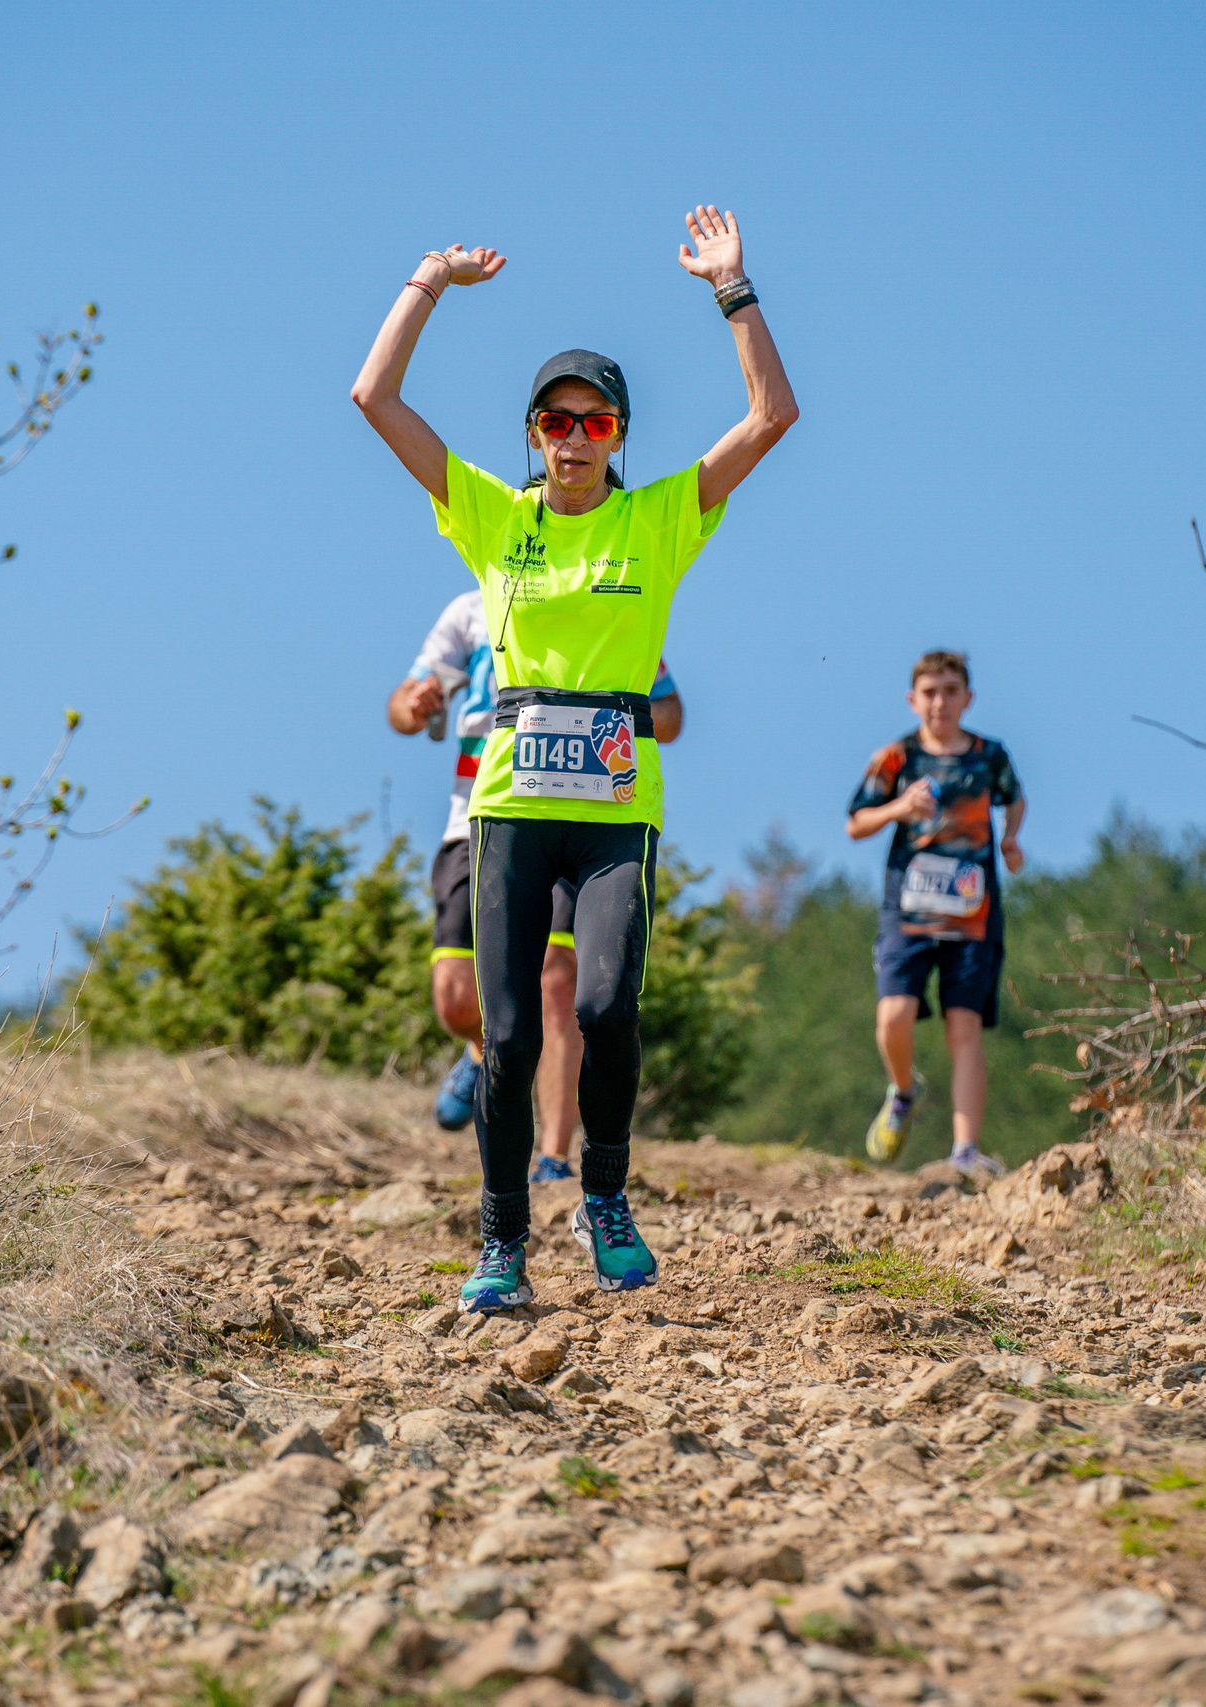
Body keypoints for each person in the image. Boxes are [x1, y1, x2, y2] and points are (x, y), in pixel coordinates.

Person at [351, 208, 797, 1310]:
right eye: (555, 420)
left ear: (618, 437)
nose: (573, 436)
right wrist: (426, 283)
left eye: (595, 422)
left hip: (611, 814)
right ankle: (501, 1241)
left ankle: (604, 1197)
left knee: (601, 1012)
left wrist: (731, 290)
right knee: (506, 1034)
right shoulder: (493, 521)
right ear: (533, 433)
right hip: (508, 806)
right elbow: (374, 400)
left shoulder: (658, 521)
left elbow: (772, 414)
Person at [388, 605, 684, 1189]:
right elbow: (401, 705)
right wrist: (416, 703)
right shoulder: (471, 610)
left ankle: (552, 1157)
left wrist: (622, 720)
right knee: (455, 995)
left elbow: (671, 715)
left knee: (557, 978)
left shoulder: (602, 594)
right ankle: (480, 1052)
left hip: (575, 815)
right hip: (475, 813)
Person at [846, 649, 1026, 1175]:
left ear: (967, 698)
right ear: (912, 700)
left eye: (950, 691)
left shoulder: (990, 755)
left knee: (962, 1025)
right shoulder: (896, 759)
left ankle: (965, 1152)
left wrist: (1012, 839)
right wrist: (900, 808)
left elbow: (1014, 798)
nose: (940, 702)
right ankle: (904, 1092)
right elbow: (855, 822)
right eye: (930, 692)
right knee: (893, 1017)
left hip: (973, 911)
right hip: (908, 909)